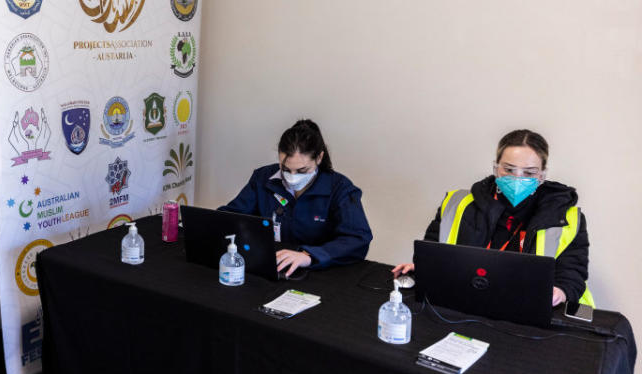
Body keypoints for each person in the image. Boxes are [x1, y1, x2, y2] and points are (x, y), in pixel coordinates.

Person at [393, 129, 591, 307]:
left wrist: (561, 292)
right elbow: (432, 249)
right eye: (509, 169)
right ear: (496, 168)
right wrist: (422, 268)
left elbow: (573, 273)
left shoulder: (567, 218)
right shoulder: (457, 203)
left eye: (529, 173)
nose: (517, 178)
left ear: (542, 176)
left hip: (525, 309)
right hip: (463, 302)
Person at [220, 119, 372, 276]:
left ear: (319, 158)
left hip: (319, 273)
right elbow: (232, 217)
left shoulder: (340, 188)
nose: (292, 177)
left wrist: (308, 256)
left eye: (302, 170)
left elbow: (357, 239)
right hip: (271, 267)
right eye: (285, 169)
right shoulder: (263, 178)